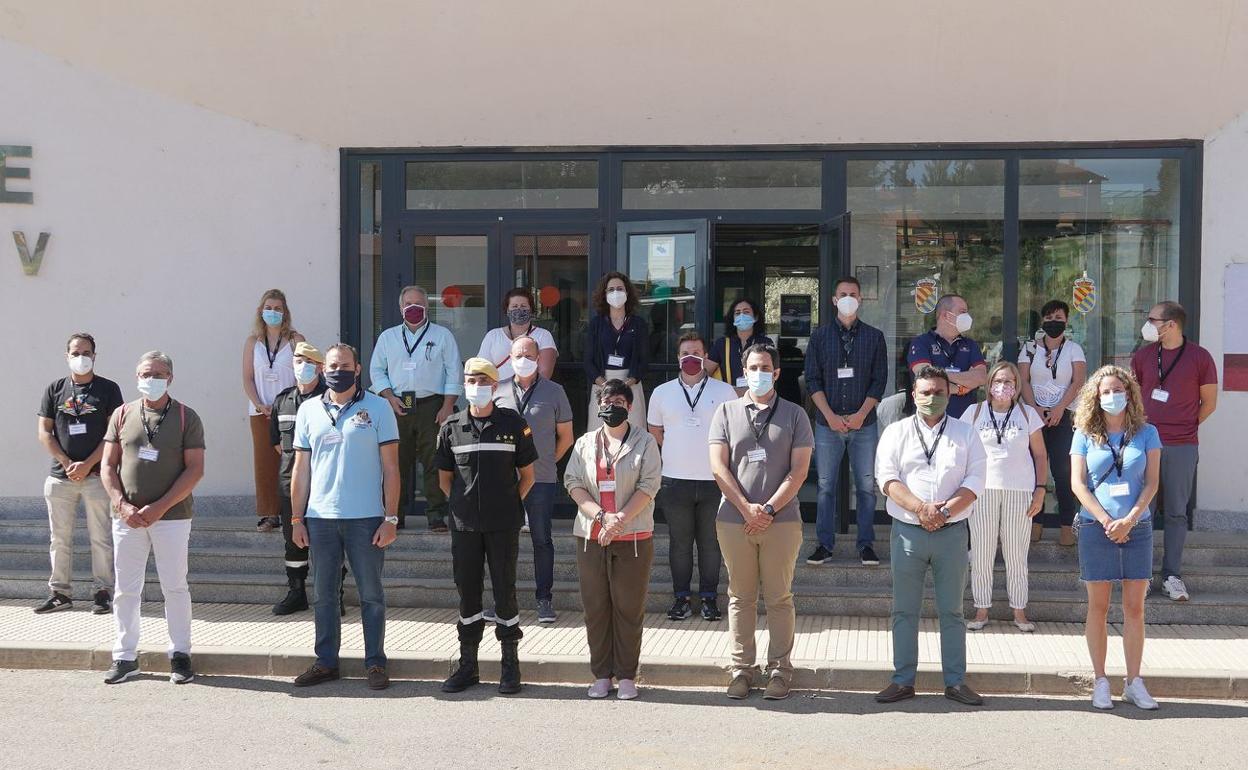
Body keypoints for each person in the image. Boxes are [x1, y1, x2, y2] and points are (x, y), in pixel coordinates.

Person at [874, 365, 986, 707]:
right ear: (914, 395)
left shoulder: (966, 434)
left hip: (952, 533)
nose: (932, 398)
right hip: (908, 532)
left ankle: (955, 682)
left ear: (949, 394)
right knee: (904, 610)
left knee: (952, 611)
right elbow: (887, 479)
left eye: (939, 392)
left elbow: (976, 480)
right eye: (925, 392)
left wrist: (944, 512)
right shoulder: (896, 432)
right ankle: (903, 680)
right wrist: (922, 509)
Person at [290, 344, 400, 691]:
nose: (339, 370)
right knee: (323, 594)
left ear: (358, 368)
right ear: (324, 370)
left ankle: (375, 663)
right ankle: (326, 662)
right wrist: (296, 519)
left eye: (346, 365)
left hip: (366, 519)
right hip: (320, 518)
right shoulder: (308, 410)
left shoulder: (379, 408)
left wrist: (391, 518)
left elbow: (391, 468)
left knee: (371, 594)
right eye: (333, 365)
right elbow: (300, 470)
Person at [709, 343, 813, 702]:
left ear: (777, 372)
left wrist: (766, 509)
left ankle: (780, 671)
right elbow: (718, 467)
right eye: (753, 367)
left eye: (765, 367)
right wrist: (746, 509)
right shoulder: (725, 411)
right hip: (733, 521)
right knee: (740, 597)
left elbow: (799, 471)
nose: (759, 373)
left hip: (781, 522)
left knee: (779, 597)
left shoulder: (795, 415)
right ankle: (741, 669)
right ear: (744, 371)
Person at [99, 351, 206, 685]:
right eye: (146, 374)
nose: (151, 379)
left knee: (175, 586)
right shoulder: (121, 414)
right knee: (125, 590)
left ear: (170, 378)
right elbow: (107, 465)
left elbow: (195, 470)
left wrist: (160, 506)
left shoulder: (188, 417)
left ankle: (180, 655)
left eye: (158, 374)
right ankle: (125, 657)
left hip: (172, 517)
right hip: (127, 519)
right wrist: (121, 504)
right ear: (136, 376)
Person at [436, 358, 538, 694]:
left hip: (503, 525)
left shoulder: (513, 423)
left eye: (481, 380)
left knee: (505, 592)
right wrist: (464, 507)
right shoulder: (451, 426)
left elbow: (528, 476)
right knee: (468, 595)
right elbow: (445, 480)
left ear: (494, 386)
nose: (474, 386)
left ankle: (510, 667)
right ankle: (468, 666)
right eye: (469, 380)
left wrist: (509, 504)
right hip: (465, 527)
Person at [1070, 365, 1163, 710]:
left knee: (1134, 608)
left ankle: (1134, 681)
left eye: (1118, 390)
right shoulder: (1083, 433)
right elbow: (1077, 484)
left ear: (1130, 394)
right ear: (1096, 396)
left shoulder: (1147, 432)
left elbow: (1152, 482)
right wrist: (1108, 520)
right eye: (1105, 391)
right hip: (1096, 527)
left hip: (1137, 527)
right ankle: (1100, 680)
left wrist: (1129, 519)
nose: (1112, 396)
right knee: (1098, 606)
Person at [564, 379, 662, 700]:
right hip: (592, 536)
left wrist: (620, 519)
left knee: (628, 608)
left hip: (633, 536)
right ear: (598, 406)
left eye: (619, 401)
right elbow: (573, 482)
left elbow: (649, 485)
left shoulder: (645, 442)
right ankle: (601, 675)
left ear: (630, 407)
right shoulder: (584, 443)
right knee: (596, 607)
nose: (612, 406)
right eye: (607, 401)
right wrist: (601, 517)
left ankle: (627, 675)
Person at [1130, 301, 1218, 601]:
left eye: (1152, 319)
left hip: (1182, 444)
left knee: (1177, 513)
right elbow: (1132, 398)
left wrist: (1184, 427)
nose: (1147, 324)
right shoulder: (1142, 356)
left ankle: (1172, 575)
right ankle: (1140, 575)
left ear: (1171, 324)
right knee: (1142, 510)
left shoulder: (1200, 357)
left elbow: (1209, 402)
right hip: (1144, 444)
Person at [646, 331, 737, 621]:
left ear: (705, 357)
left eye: (696, 352)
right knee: (680, 543)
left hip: (714, 480)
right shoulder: (662, 392)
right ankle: (681, 597)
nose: (691, 358)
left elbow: (733, 434)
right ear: (677, 357)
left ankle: (709, 598)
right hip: (674, 479)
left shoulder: (724, 392)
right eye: (685, 353)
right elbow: (655, 431)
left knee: (711, 543)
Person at [35, 332, 124, 615]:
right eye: (75, 353)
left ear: (94, 356)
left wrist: (87, 464)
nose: (80, 358)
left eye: (86, 353)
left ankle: (103, 592)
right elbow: (44, 431)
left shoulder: (109, 389)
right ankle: (60, 593)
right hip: (60, 478)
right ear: (67, 356)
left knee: (101, 536)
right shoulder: (54, 389)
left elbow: (114, 434)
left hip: (97, 477)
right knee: (59, 538)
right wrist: (65, 461)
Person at [958, 362, 1048, 632]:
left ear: (1017, 386)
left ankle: (1019, 612)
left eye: (1009, 381)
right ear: (988, 384)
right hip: (982, 491)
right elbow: (959, 451)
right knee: (982, 553)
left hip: (1020, 491)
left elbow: (1041, 455)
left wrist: (1040, 490)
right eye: (998, 381)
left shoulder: (1027, 413)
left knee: (1016, 553)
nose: (1003, 386)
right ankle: (981, 610)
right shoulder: (973, 412)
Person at [805, 277, 888, 568]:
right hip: (827, 424)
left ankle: (866, 545)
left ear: (861, 299)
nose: (848, 298)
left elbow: (879, 381)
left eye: (853, 293)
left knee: (866, 486)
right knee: (826, 486)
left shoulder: (875, 337)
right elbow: (812, 379)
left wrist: (860, 415)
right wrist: (829, 416)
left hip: (863, 424)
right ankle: (824, 545)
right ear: (834, 300)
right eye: (843, 294)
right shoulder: (819, 337)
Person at [369, 285, 462, 531]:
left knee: (434, 462)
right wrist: (388, 397)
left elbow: (455, 371)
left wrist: (447, 406)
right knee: (396, 462)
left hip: (433, 406)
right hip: (398, 405)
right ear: (401, 308)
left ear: (427, 306)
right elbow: (377, 370)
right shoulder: (388, 337)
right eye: (408, 304)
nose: (414, 308)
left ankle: (435, 516)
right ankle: (394, 515)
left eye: (418, 303)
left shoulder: (443, 336)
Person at [494, 336, 574, 623]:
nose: (523, 359)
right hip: (504, 481)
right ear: (510, 357)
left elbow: (566, 436)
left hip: (541, 479)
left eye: (529, 354)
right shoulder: (498, 390)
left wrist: (548, 460)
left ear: (539, 358)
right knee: (502, 541)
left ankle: (544, 599)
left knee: (542, 540)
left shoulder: (555, 392)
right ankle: (502, 600)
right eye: (518, 354)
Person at [1018, 299, 1086, 546]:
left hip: (1063, 416)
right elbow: (1022, 380)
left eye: (1058, 318)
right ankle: (1034, 524)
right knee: (1034, 472)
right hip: (1034, 417)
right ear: (1042, 321)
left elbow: (1078, 381)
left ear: (1067, 321)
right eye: (1049, 318)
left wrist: (1059, 408)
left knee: (1063, 472)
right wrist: (1035, 409)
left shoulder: (1074, 349)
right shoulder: (1028, 348)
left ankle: (1067, 526)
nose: (1053, 322)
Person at [267, 342, 327, 615]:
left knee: (328, 541)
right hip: (290, 482)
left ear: (319, 367)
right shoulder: (283, 400)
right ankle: (297, 592)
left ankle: (332, 595)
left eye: (307, 361)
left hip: (325, 482)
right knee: (293, 541)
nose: (301, 365)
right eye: (297, 360)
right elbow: (277, 443)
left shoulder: (329, 397)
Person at [242, 289, 304, 532]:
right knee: (265, 463)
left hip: (290, 411)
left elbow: (306, 373)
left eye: (278, 309)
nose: (273, 312)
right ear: (261, 311)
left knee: (293, 461)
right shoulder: (252, 342)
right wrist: (259, 403)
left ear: (285, 312)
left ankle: (295, 511)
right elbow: (247, 378)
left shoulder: (295, 340)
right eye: (269, 308)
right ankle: (269, 513)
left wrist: (288, 403)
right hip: (260, 411)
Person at [906, 293, 988, 420]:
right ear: (946, 315)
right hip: (930, 420)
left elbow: (981, 377)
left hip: (966, 422)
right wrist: (961, 388)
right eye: (963, 312)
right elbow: (927, 379)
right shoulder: (921, 343)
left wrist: (939, 373)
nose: (967, 316)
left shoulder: (971, 345)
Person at [585, 272, 649, 431]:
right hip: (602, 386)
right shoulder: (596, 324)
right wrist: (606, 386)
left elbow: (643, 360)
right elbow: (588, 361)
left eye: (619, 289)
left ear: (627, 292)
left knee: (633, 433)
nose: (615, 293)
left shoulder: (638, 324)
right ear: (604, 294)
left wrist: (625, 385)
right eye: (611, 289)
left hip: (631, 385)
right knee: (598, 433)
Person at [477, 287, 559, 381]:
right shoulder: (493, 336)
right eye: (514, 306)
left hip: (530, 393)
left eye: (523, 306)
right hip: (498, 393)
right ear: (507, 310)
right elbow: (482, 369)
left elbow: (544, 373)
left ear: (531, 310)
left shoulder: (543, 335)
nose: (519, 310)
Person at [707, 298, 773, 394]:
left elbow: (770, 374)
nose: (741, 315)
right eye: (737, 313)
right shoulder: (722, 344)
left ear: (756, 317)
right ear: (733, 318)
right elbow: (704, 374)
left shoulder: (765, 343)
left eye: (746, 312)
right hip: (729, 399)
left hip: (758, 398)